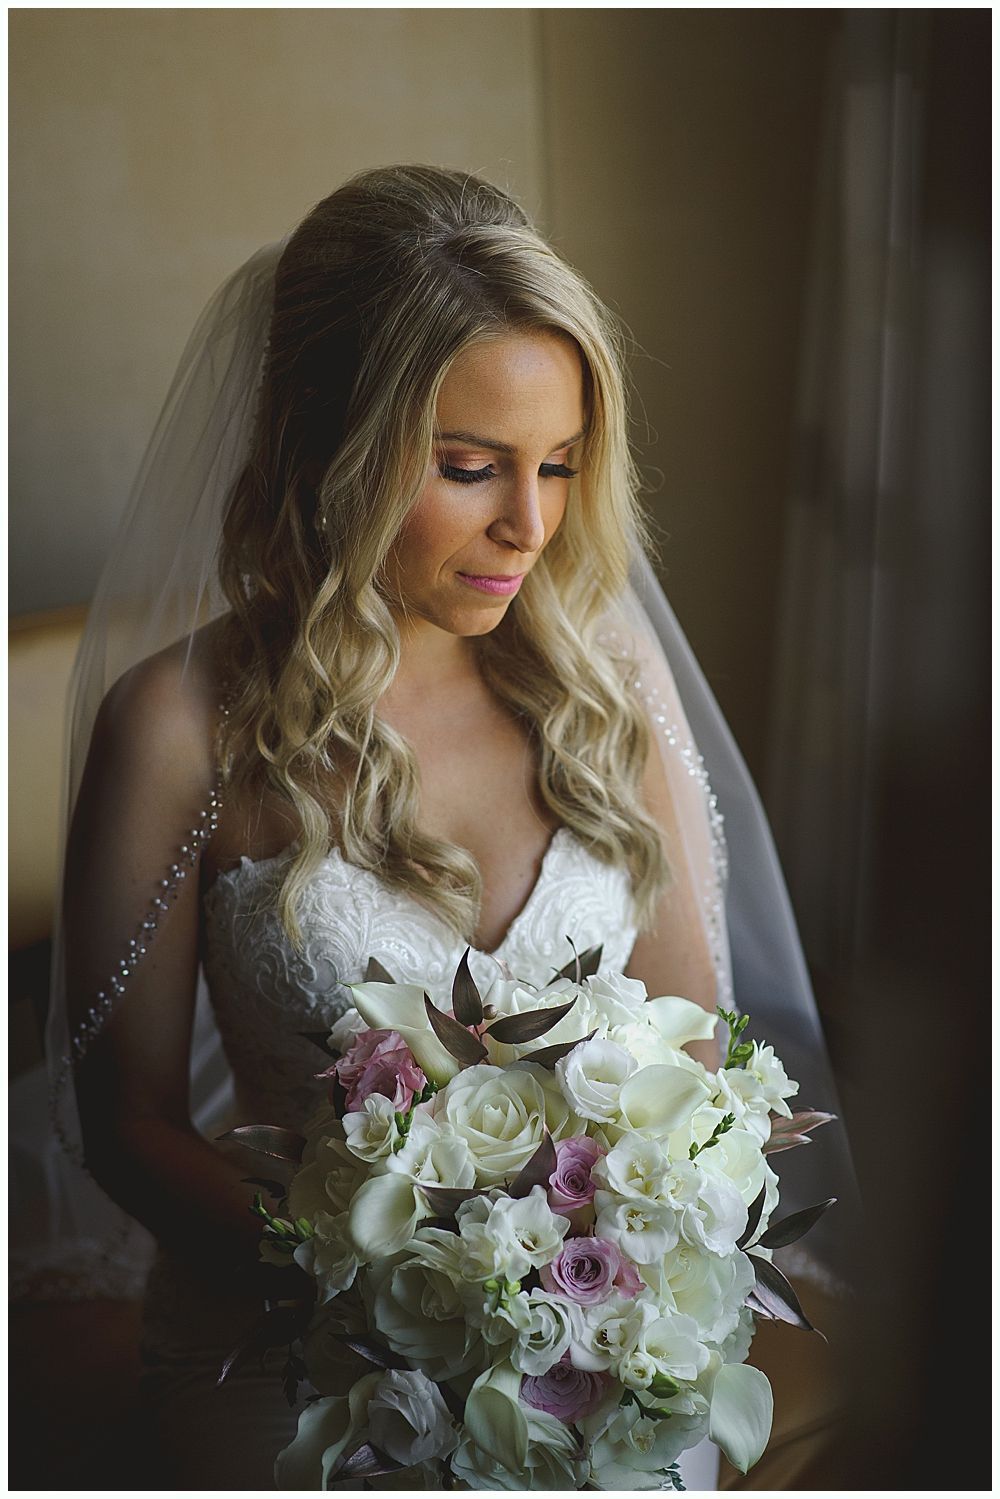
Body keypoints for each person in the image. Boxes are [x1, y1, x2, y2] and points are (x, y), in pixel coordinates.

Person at [46, 165, 853, 1489]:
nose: (529, 528)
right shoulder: (179, 728)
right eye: (470, 469)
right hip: (291, 1354)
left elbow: (708, 1037)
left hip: (603, 1334)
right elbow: (126, 1121)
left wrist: (615, 1274)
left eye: (560, 467)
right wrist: (388, 1287)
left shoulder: (606, 681)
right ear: (328, 444)